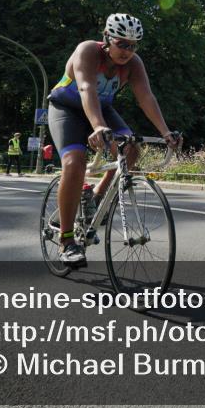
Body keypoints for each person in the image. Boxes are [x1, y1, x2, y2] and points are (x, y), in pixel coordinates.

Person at [48, 13, 180, 268]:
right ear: (107, 38)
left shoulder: (134, 64)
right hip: (67, 108)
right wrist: (98, 126)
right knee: (74, 163)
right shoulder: (88, 50)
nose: (127, 51)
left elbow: (146, 98)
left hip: (102, 108)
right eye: (122, 44)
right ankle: (66, 240)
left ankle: (96, 198)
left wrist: (165, 132)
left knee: (130, 149)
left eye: (133, 46)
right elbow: (86, 88)